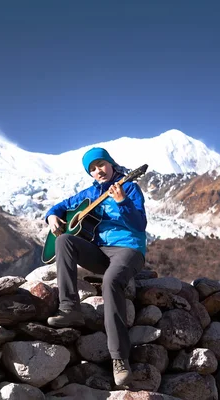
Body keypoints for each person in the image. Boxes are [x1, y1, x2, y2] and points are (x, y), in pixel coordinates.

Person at [44, 147, 147, 387]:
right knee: (64, 240)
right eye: (92, 168)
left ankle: (119, 359)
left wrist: (122, 202)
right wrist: (51, 216)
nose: (97, 170)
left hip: (128, 250)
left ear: (110, 163)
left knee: (111, 282)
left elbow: (140, 224)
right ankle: (70, 308)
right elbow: (60, 207)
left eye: (100, 164)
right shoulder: (88, 194)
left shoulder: (129, 187)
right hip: (100, 252)